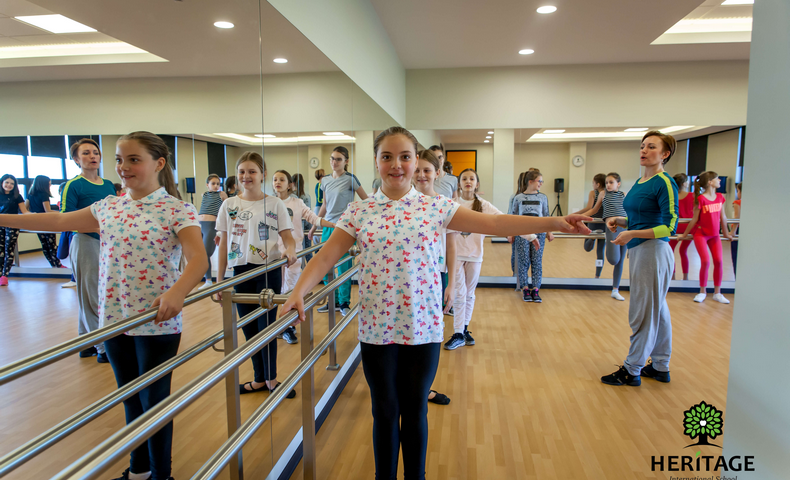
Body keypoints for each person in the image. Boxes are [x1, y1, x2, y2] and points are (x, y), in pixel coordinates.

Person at [279, 126, 590, 480]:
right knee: (384, 411)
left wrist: (555, 221)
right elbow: (325, 257)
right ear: (376, 161)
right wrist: (298, 291)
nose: (396, 165)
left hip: (423, 327)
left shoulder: (437, 207)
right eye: (387, 157)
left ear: (417, 162)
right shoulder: (359, 211)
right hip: (377, 328)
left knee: (415, 411)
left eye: (405, 157)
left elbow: (494, 222)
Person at [0, 131, 208, 480]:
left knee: (154, 401)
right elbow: (58, 221)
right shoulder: (109, 206)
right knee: (129, 397)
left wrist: (177, 292)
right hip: (114, 320)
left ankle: (162, 475)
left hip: (156, 320)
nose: (123, 167)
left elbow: (198, 259)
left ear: (158, 163)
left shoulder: (176, 209)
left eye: (133, 159)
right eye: (119, 160)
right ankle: (138, 471)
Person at [215, 152, 298, 397]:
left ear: (263, 175)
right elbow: (223, 243)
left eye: (252, 171)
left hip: (268, 271)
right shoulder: (229, 205)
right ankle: (259, 379)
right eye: (242, 171)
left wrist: (290, 251)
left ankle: (271, 380)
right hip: (240, 273)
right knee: (250, 330)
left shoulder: (275, 204)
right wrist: (219, 282)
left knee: (267, 329)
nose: (246, 176)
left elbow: (288, 238)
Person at [601, 130, 679, 387]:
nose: (644, 150)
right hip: (641, 250)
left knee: (643, 312)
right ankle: (660, 366)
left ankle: (631, 369)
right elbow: (641, 218)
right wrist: (620, 221)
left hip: (654, 252)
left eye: (652, 147)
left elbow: (670, 227)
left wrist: (632, 232)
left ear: (665, 154)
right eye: (643, 146)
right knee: (658, 309)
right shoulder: (639, 182)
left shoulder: (664, 182)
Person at [448, 167, 537, 349]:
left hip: (475, 256)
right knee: (460, 293)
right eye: (464, 179)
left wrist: (529, 235)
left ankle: (464, 329)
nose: (468, 181)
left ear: (477, 184)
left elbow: (504, 220)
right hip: (456, 256)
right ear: (459, 184)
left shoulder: (483, 205)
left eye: (471, 179)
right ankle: (457, 332)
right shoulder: (451, 204)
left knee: (469, 294)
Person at [62, 138, 116, 362]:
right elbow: (66, 220)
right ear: (76, 159)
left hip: (107, 243)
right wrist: (96, 228)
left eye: (95, 152)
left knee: (99, 293)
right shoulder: (74, 185)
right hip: (85, 242)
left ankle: (85, 344)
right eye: (86, 153)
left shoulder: (108, 185)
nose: (92, 156)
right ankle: (103, 347)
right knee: (92, 295)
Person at [411, 148, 456, 406]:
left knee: (428, 334)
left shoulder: (444, 206)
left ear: (437, 173)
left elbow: (452, 247)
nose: (421, 175)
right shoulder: (404, 203)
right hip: (409, 278)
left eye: (427, 170)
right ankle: (411, 387)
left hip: (435, 277)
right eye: (417, 170)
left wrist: (451, 285)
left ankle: (423, 388)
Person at [273, 169, 334, 344]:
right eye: (275, 179)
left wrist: (334, 225)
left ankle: (288, 327)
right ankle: (278, 326)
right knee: (276, 291)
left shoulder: (297, 203)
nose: (278, 182)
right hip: (272, 255)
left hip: (294, 254)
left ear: (290, 185)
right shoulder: (268, 202)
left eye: (282, 179)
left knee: (290, 289)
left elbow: (314, 218)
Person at [309, 147, 367, 316]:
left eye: (339, 159)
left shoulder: (350, 179)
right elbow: (325, 206)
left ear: (346, 161)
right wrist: (314, 226)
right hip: (328, 226)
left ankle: (344, 302)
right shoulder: (325, 180)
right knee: (325, 266)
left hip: (345, 228)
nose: (334, 162)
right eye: (332, 158)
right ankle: (332, 300)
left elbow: (366, 201)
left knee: (343, 267)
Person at [678, 171, 732, 304]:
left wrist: (726, 234)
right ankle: (702, 291)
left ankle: (717, 293)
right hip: (701, 234)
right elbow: (694, 219)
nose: (719, 180)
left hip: (715, 235)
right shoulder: (701, 199)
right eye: (717, 178)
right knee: (706, 261)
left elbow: (723, 217)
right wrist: (684, 235)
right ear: (710, 182)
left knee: (718, 261)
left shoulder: (720, 197)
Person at [581, 173, 628, 301]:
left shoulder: (623, 194)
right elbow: (594, 210)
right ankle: (592, 240)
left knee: (620, 261)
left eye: (611, 182)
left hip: (625, 227)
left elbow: (629, 210)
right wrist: (580, 218)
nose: (608, 185)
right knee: (613, 260)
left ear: (618, 184)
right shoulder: (603, 194)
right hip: (611, 227)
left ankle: (615, 289)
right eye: (606, 182)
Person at [509, 169, 553, 303]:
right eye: (539, 181)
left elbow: (546, 215)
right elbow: (513, 216)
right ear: (530, 182)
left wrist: (549, 231)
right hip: (522, 233)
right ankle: (525, 288)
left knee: (537, 261)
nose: (541, 184)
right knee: (523, 260)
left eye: (542, 181)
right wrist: (510, 233)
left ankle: (536, 288)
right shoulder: (518, 198)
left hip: (539, 233)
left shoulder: (543, 197)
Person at [25, 175, 64, 269]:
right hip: (46, 222)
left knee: (44, 244)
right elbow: (48, 211)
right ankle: (58, 264)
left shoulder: (30, 195)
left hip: (37, 223)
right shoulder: (44, 195)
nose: (50, 185)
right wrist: (61, 212)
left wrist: (33, 214)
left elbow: (25, 209)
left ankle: (53, 264)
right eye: (49, 183)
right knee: (52, 245)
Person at [197, 174, 228, 290]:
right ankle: (206, 279)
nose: (216, 186)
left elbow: (227, 207)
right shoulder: (204, 194)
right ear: (207, 185)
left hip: (211, 225)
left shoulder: (221, 194)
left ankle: (209, 280)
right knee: (200, 254)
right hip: (200, 225)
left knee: (206, 254)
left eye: (218, 184)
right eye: (213, 183)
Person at [0, 174, 29, 286]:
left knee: (9, 249)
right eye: (7, 182)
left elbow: (24, 212)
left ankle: (4, 275)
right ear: (2, 183)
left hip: (12, 225)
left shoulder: (17, 196)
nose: (9, 185)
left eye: (12, 183)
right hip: (0, 225)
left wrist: (36, 216)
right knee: (0, 250)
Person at [576, 174, 607, 279]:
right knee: (600, 251)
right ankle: (597, 276)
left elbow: (589, 208)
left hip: (593, 221)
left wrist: (576, 215)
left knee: (587, 248)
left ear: (598, 184)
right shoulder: (608, 193)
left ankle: (592, 238)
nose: (592, 185)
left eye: (593, 183)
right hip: (603, 223)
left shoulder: (593, 193)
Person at [668, 173, 694, 280]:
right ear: (684, 183)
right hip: (688, 228)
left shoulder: (672, 196)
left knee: (671, 251)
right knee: (683, 251)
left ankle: (673, 277)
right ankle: (685, 277)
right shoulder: (692, 196)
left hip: (676, 227)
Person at [291, 173, 314, 262]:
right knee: (308, 250)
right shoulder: (307, 196)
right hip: (307, 226)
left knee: (298, 250)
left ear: (292, 183)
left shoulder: (291, 197)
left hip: (297, 227)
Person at [729, 182, 742, 277]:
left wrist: (733, 231)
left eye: (737, 190)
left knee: (736, 255)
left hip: (738, 230)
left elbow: (737, 217)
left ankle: (737, 276)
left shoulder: (737, 202)